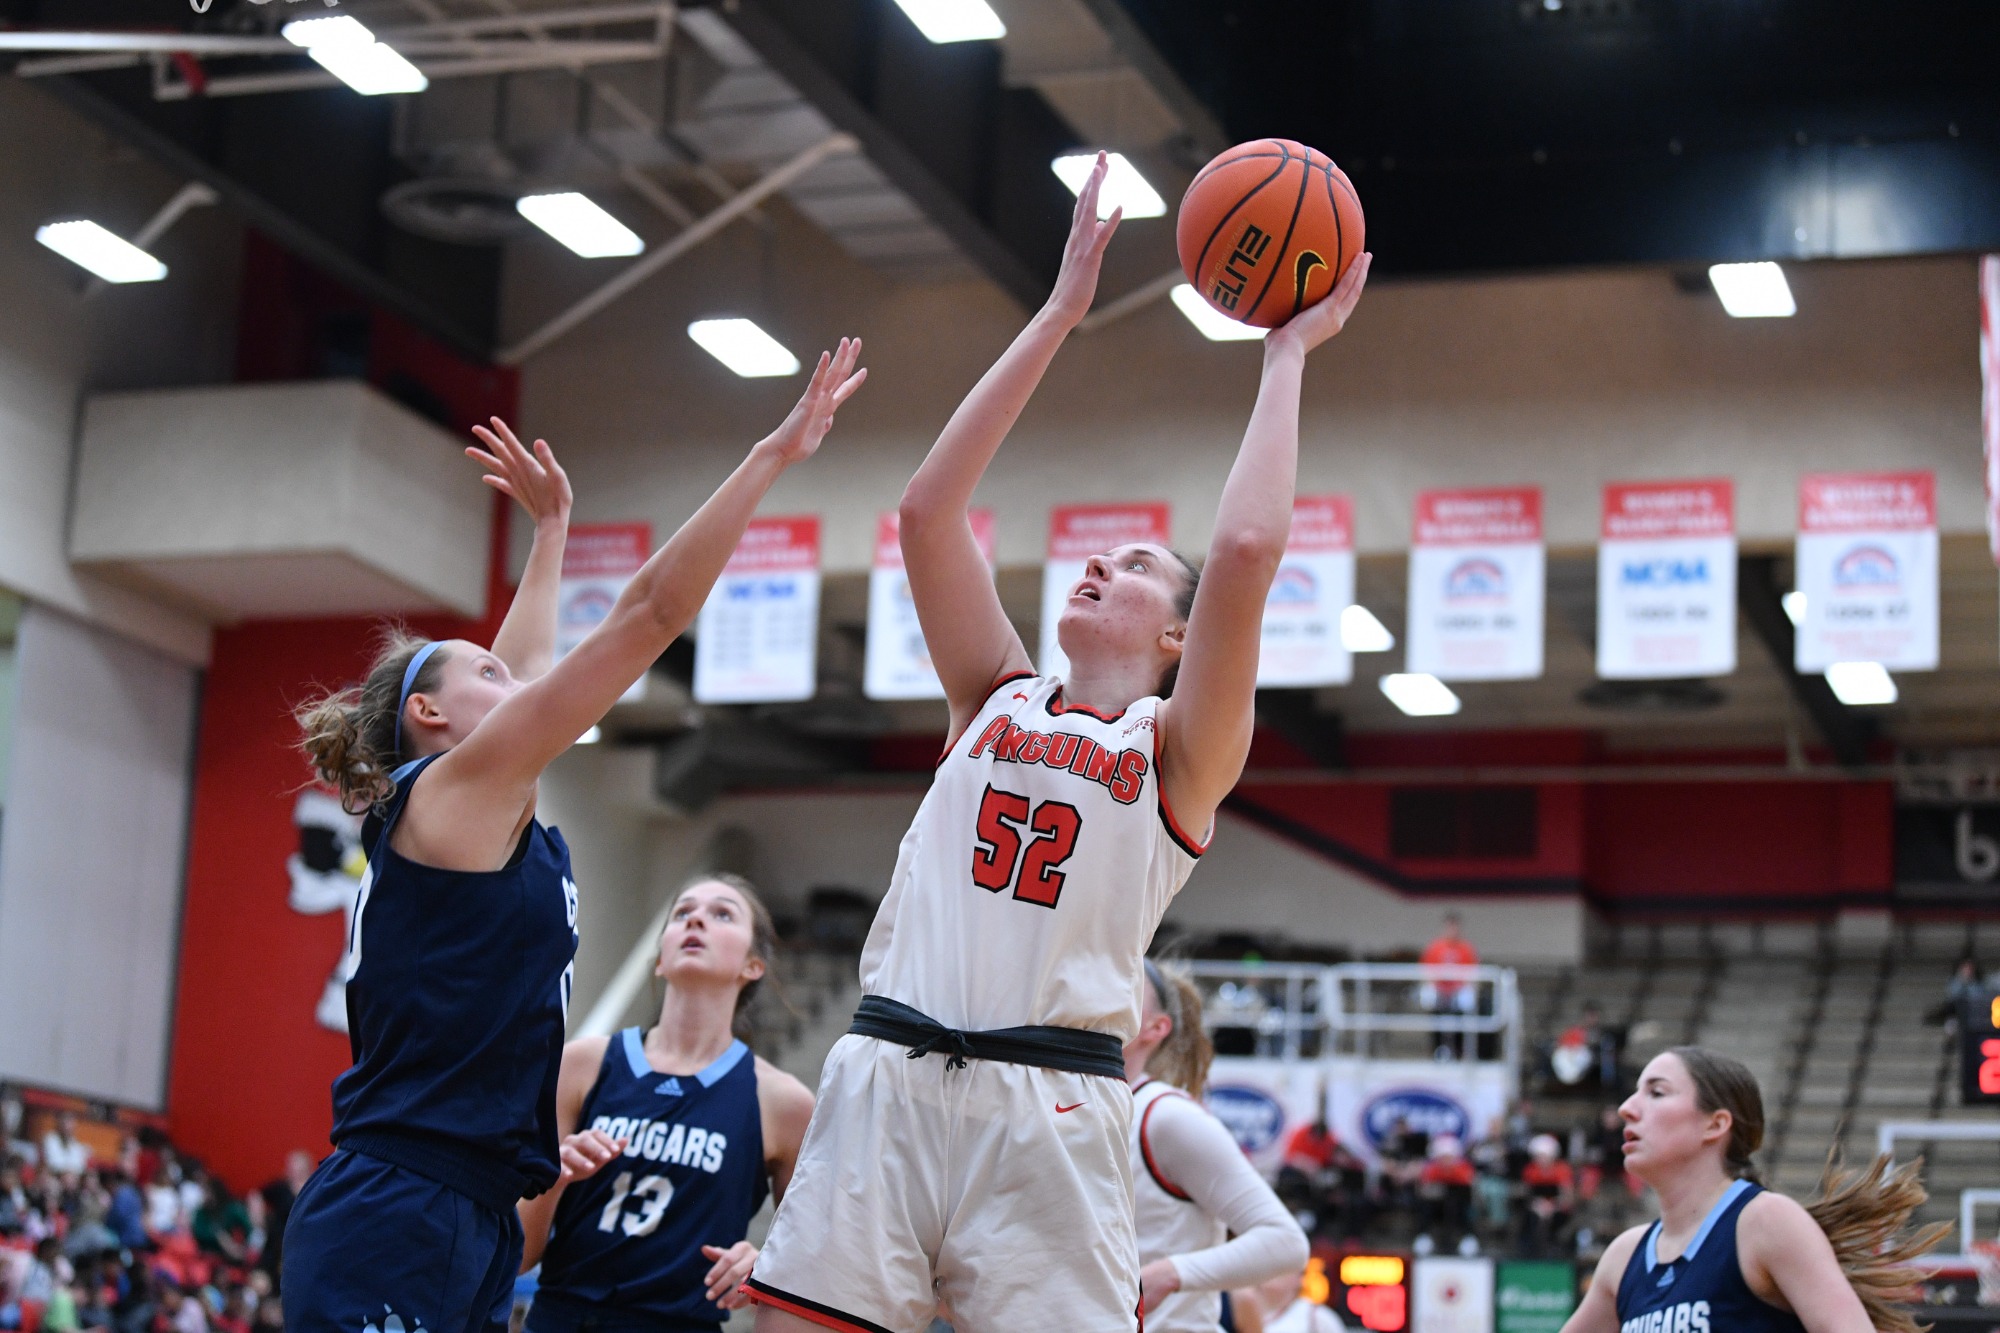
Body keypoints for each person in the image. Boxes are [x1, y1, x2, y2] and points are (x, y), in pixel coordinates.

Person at [743, 153, 1371, 1333]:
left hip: (1054, 1106)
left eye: (1134, 566)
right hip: (888, 1073)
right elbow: (926, 510)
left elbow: (1243, 555)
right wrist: (1058, 311)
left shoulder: (1177, 751)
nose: (1096, 562)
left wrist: (1284, 355)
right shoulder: (992, 692)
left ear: (1179, 634)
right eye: (1099, 552)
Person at [283, 342, 866, 1333]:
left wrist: (551, 532)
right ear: (428, 713)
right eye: (487, 675)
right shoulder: (450, 796)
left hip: (468, 1211)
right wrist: (769, 455)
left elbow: (523, 665)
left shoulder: (478, 800)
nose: (520, 684)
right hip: (401, 1202)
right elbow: (652, 609)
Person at [516, 874, 814, 1333]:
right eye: (682, 913)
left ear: (753, 965)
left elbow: (811, 1265)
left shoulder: (784, 1102)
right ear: (660, 960)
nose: (696, 919)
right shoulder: (581, 1064)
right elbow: (516, 1256)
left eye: (722, 914)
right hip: (563, 1317)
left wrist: (764, 1265)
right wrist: (553, 1181)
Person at [1559, 1047, 1948, 1333]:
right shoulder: (1624, 1257)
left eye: (1656, 1093)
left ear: (1715, 1125)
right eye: (1635, 1092)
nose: (1627, 1108)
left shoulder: (1765, 1222)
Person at [1125, 962, 1308, 1332]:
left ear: (1156, 1027)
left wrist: (1170, 1272)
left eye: (1127, 986)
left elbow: (1286, 1241)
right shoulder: (1075, 1110)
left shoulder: (1166, 1115)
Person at [1419, 914, 1479, 1060]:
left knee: (1466, 1000)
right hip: (1439, 989)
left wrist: (1458, 987)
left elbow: (1473, 974)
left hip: (1457, 990)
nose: (1452, 930)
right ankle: (1437, 1049)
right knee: (1429, 996)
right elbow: (1426, 971)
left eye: (1455, 927)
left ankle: (1459, 1050)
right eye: (1450, 927)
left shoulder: (1465, 949)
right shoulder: (1435, 947)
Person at [1516, 1134, 1573, 1257]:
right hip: (1535, 1207)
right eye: (1538, 1156)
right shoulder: (1530, 1170)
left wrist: (1553, 1206)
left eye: (1544, 1156)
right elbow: (1526, 1194)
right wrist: (1536, 1205)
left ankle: (1554, 1248)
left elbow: (1567, 1195)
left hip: (1557, 1208)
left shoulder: (1561, 1170)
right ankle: (1530, 1251)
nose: (1541, 1160)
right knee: (1530, 1220)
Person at [1244, 1270, 1343, 1333]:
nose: (1274, 1271)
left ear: (1300, 1278)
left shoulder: (1318, 1316)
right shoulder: (1240, 1310)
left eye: (1284, 1267)